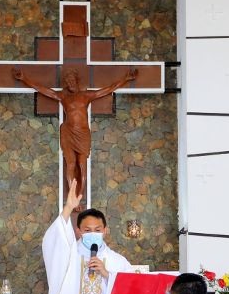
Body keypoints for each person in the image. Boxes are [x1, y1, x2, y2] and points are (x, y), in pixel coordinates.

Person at [13, 66, 137, 200]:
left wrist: (125, 79)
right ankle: (72, 197)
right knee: (71, 163)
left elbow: (108, 89)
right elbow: (43, 90)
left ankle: (80, 194)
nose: (70, 84)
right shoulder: (63, 96)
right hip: (69, 132)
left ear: (76, 81)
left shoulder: (86, 96)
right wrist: (24, 79)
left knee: (82, 164)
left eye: (72, 80)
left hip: (82, 134)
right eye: (67, 82)